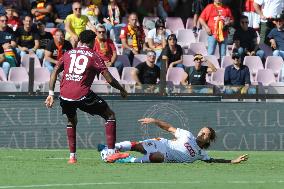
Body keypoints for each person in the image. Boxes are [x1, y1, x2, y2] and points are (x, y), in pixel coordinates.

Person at [45, 30, 128, 164]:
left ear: (79, 40)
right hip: (82, 94)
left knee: (71, 121)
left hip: (65, 95)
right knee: (110, 115)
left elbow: (54, 71)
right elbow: (109, 79)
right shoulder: (94, 55)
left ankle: (72, 157)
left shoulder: (68, 53)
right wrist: (121, 89)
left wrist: (50, 93)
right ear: (91, 42)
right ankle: (112, 153)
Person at [99, 117, 248, 164]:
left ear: (208, 140)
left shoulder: (201, 154)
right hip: (163, 143)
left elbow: (214, 160)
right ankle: (109, 148)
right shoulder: (188, 135)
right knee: (137, 146)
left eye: (206, 134)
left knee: (159, 157)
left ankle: (125, 159)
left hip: (167, 157)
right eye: (202, 131)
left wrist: (231, 161)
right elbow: (169, 128)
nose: (202, 133)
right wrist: (154, 120)